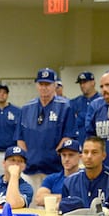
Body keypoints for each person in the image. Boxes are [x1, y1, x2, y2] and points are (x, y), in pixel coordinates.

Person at [17, 68, 77, 201]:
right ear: (36, 85)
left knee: (51, 207)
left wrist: (53, 155)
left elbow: (67, 136)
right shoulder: (27, 108)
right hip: (30, 169)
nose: (44, 88)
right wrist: (27, 158)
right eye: (41, 84)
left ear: (55, 85)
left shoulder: (65, 106)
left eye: (48, 84)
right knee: (29, 207)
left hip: (53, 169)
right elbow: (20, 138)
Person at [62, 136, 109, 207]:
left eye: (94, 152)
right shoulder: (69, 182)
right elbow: (65, 212)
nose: (89, 156)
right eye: (85, 152)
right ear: (81, 155)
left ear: (103, 155)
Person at [34, 138, 81, 207]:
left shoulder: (84, 178)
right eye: (64, 155)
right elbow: (39, 199)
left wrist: (52, 198)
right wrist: (69, 199)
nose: (66, 159)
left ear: (80, 157)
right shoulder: (52, 178)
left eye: (71, 155)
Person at [0, 83, 21, 175]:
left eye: (4, 92)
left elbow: (21, 131)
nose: (2, 94)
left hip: (13, 152)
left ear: (7, 95)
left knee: (15, 177)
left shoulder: (17, 111)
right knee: (0, 179)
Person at [70, 71, 100, 145]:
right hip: (80, 145)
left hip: (97, 144)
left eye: (85, 82)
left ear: (93, 82)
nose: (82, 85)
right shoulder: (74, 103)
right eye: (80, 83)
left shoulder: (102, 101)